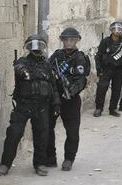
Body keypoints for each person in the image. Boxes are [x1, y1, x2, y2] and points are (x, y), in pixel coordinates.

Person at [0, 35, 61, 176]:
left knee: (42, 135)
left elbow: (53, 86)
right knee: (14, 133)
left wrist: (56, 104)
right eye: (33, 46)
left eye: (39, 46)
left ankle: (40, 164)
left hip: (42, 106)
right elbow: (18, 68)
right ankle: (5, 164)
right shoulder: (22, 62)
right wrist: (20, 69)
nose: (37, 49)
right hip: (24, 105)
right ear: (29, 48)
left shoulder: (47, 65)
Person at [46, 28, 90, 171]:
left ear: (77, 41)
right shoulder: (57, 56)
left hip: (70, 99)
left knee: (72, 131)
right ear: (62, 41)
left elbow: (81, 79)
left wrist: (71, 90)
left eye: (72, 39)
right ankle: (50, 158)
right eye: (66, 39)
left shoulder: (80, 58)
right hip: (54, 97)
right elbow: (47, 70)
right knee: (47, 128)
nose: (69, 42)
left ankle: (69, 158)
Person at [94, 21, 122, 117]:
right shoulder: (105, 41)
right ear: (112, 30)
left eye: (119, 30)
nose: (117, 32)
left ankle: (113, 109)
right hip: (106, 69)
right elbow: (99, 55)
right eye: (115, 29)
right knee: (102, 88)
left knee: (117, 90)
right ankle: (99, 108)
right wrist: (99, 69)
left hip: (118, 70)